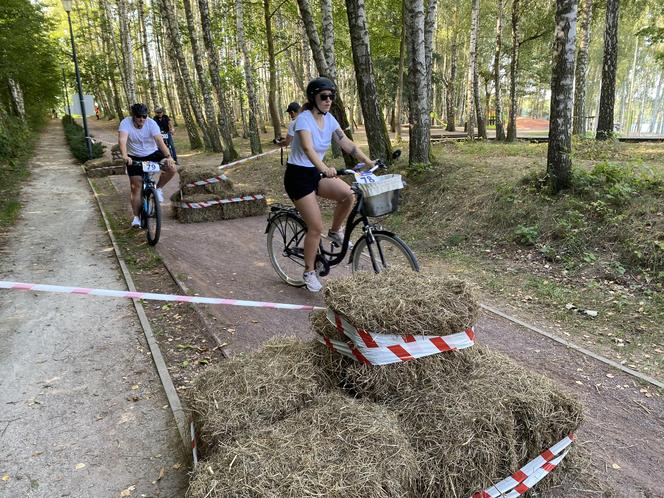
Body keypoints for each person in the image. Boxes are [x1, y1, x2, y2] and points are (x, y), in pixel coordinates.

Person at [285, 77, 374, 292]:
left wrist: (368, 161)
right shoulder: (303, 120)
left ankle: (335, 231)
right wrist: (324, 168)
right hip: (298, 176)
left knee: (348, 195)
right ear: (313, 98)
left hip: (316, 173)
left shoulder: (330, 119)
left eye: (331, 96)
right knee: (315, 227)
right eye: (323, 96)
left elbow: (346, 143)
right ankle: (309, 271)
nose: (328, 100)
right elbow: (307, 148)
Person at [118, 103, 176, 228]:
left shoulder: (151, 123)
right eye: (139, 116)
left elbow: (160, 141)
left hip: (152, 153)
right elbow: (122, 140)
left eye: (144, 116)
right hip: (133, 157)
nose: (142, 119)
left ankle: (158, 188)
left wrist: (168, 156)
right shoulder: (125, 123)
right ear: (133, 115)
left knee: (171, 168)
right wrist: (125, 156)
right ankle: (136, 218)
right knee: (136, 187)